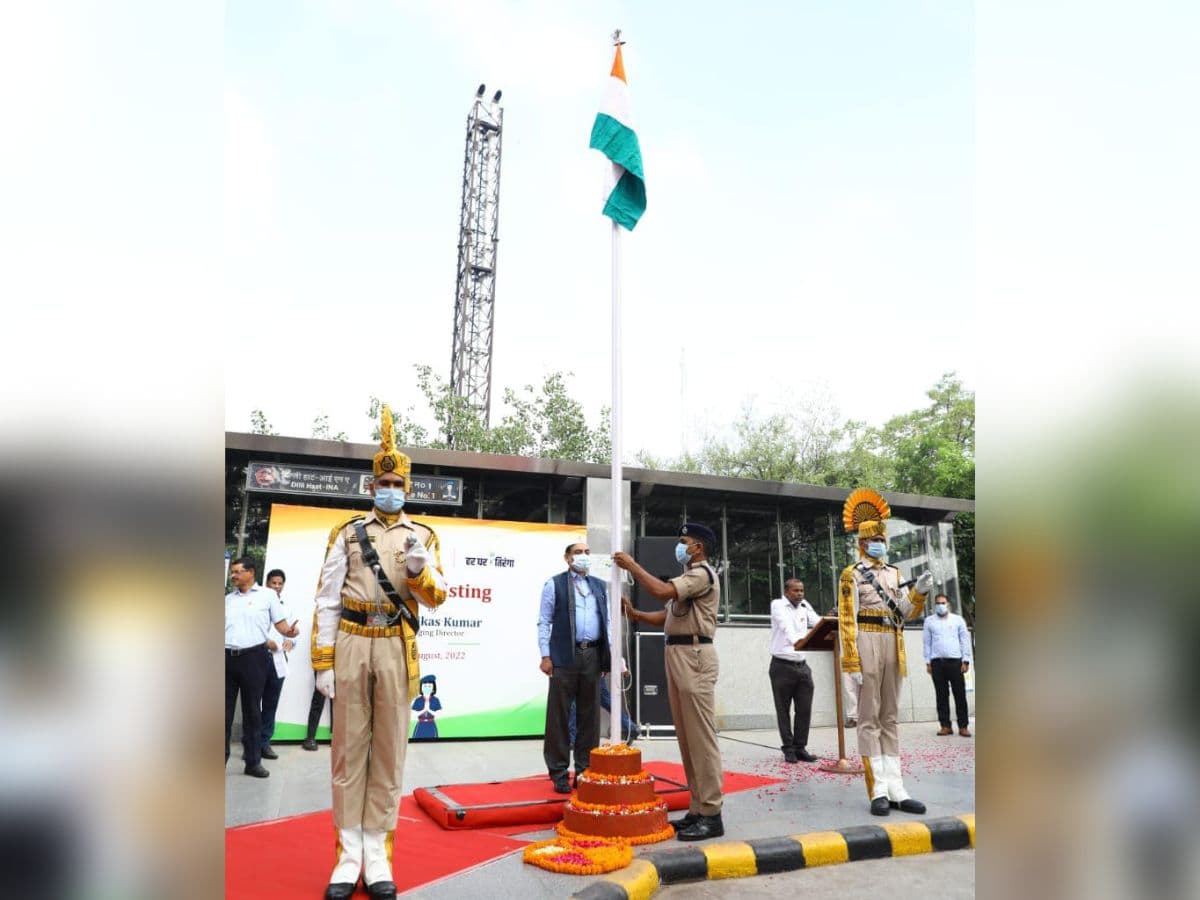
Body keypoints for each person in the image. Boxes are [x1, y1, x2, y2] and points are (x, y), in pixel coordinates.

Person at [311, 406, 448, 900]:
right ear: (372, 486)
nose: (390, 488)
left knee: (389, 754)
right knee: (348, 755)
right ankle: (346, 859)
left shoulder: (425, 536)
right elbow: (326, 600)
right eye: (383, 481)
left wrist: (418, 571)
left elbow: (436, 597)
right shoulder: (347, 533)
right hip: (351, 642)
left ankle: (378, 857)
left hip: (396, 646)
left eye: (397, 482)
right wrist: (323, 661)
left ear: (407, 488)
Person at [616, 522, 724, 841]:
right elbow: (666, 614)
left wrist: (633, 565)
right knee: (687, 738)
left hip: (695, 655)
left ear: (698, 547)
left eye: (684, 541)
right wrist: (635, 615)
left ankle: (712, 813)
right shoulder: (687, 579)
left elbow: (662, 591)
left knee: (701, 738)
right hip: (677, 653)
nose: (680, 546)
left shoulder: (701, 573)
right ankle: (697, 808)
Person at [838, 488, 934, 817]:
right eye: (873, 538)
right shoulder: (851, 574)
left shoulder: (895, 573)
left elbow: (905, 613)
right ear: (862, 543)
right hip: (865, 640)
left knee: (890, 717)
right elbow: (847, 620)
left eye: (882, 537)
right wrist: (850, 660)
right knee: (868, 718)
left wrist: (919, 592)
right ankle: (877, 789)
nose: (880, 542)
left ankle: (897, 788)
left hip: (893, 641)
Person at [538, 542, 612, 794]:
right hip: (563, 657)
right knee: (558, 716)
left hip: (592, 654)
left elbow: (608, 623)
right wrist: (545, 655)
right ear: (567, 558)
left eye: (587, 552)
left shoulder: (599, 586)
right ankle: (559, 772)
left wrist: (609, 657)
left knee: (589, 717)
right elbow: (544, 621)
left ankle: (584, 770)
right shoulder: (554, 584)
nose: (584, 556)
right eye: (578, 552)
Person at [225, 556, 299, 778]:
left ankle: (253, 762)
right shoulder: (228, 599)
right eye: (233, 571)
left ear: (251, 573)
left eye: (238, 571)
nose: (233, 575)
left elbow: (282, 625)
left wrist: (290, 633)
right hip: (226, 658)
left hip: (254, 658)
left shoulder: (268, 596)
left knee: (252, 712)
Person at [768, 579, 821, 763]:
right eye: (796, 590)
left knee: (804, 709)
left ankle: (800, 747)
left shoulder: (805, 606)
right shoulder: (777, 605)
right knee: (783, 710)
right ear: (787, 591)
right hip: (782, 665)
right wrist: (798, 642)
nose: (800, 594)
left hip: (802, 666)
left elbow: (818, 623)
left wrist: (831, 621)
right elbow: (786, 628)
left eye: (802, 590)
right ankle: (788, 748)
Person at [923, 593, 973, 737]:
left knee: (960, 695)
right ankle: (945, 726)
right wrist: (928, 662)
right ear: (934, 605)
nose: (941, 605)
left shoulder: (958, 620)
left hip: (955, 662)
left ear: (948, 604)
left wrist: (966, 660)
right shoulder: (929, 621)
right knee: (941, 695)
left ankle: (963, 726)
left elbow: (964, 640)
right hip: (937, 663)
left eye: (943, 603)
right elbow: (927, 643)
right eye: (938, 603)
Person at [259, 568, 293, 760]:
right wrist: (265, 642)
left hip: (278, 660)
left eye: (280, 583)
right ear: (267, 583)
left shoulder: (286, 607)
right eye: (274, 583)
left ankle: (265, 743)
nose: (277, 586)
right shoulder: (258, 605)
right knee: (253, 702)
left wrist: (291, 641)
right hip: (258, 657)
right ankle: (251, 743)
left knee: (271, 703)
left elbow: (290, 631)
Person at [569, 659, 642, 747]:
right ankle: (632, 728)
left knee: (575, 702)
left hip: (588, 669)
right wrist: (623, 668)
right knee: (606, 702)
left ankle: (572, 738)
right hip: (591, 669)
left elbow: (611, 648)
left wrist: (622, 668)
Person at [411, 674, 442, 740]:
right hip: (420, 725)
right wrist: (424, 710)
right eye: (425, 686)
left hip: (431, 725)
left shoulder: (436, 700)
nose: (427, 688)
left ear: (433, 688)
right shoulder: (418, 700)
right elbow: (413, 714)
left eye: (429, 686)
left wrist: (429, 710)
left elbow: (439, 714)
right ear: (421, 688)